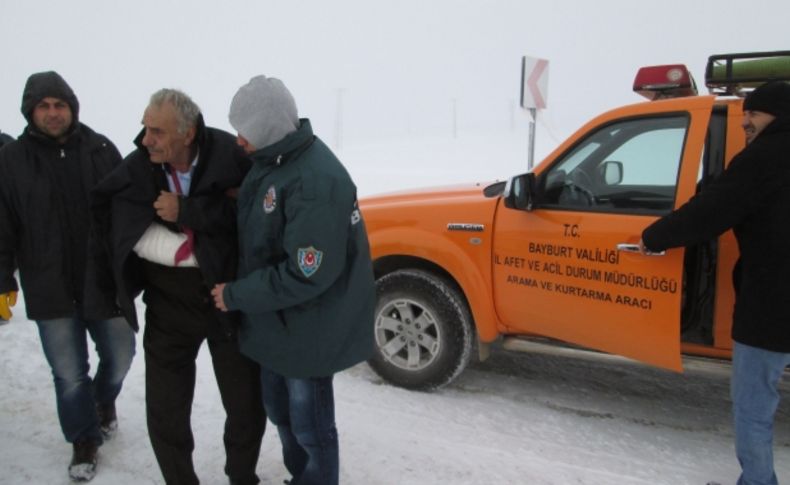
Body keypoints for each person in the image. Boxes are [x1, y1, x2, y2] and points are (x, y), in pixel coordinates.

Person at [91, 88, 265, 485]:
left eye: (157, 132)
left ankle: (242, 477)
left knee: (246, 406)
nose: (146, 140)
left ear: (188, 134)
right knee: (165, 410)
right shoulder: (139, 166)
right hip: (168, 303)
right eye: (144, 129)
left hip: (228, 301)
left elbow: (255, 214)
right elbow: (108, 213)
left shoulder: (231, 155)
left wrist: (188, 211)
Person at [211, 75, 375, 485]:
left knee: (310, 427)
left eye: (244, 130)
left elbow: (306, 274)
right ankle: (300, 475)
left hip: (309, 329)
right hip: (280, 325)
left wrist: (234, 295)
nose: (238, 140)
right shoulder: (277, 163)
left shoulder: (315, 182)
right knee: (280, 412)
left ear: (266, 126)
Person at [640, 80, 790, 485]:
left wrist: (652, 237)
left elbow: (710, 210)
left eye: (751, 118)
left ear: (775, 113)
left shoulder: (766, 157)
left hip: (773, 305)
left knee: (754, 406)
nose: (746, 127)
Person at [0, 71, 136, 482]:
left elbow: (127, 211)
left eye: (60, 105)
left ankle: (102, 400)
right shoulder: (11, 161)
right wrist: (4, 278)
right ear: (30, 111)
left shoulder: (100, 149)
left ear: (72, 108)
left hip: (102, 281)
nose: (53, 113)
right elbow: (2, 224)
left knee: (122, 353)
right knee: (68, 371)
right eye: (44, 106)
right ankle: (84, 440)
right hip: (48, 286)